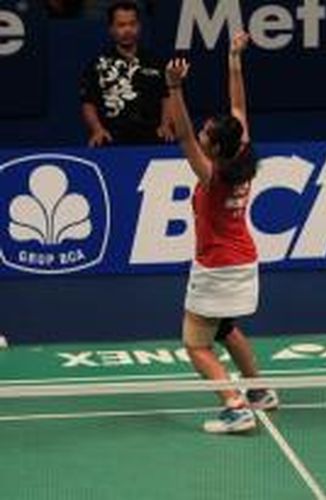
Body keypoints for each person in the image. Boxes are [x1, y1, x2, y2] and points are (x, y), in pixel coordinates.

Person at [165, 31, 278, 434]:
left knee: (196, 344)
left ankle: (235, 406)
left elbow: (180, 135)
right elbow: (237, 106)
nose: (200, 133)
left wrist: (174, 88)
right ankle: (259, 391)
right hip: (244, 261)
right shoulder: (242, 156)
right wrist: (233, 59)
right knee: (226, 327)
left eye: (205, 134)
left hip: (215, 267)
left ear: (213, 149)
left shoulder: (212, 176)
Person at [79, 1, 173, 146]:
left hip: (152, 136)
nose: (128, 30)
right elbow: (88, 103)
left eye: (132, 24)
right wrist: (97, 130)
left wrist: (165, 125)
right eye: (121, 25)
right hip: (113, 137)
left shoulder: (156, 62)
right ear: (111, 29)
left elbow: (167, 97)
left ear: (139, 27)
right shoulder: (97, 65)